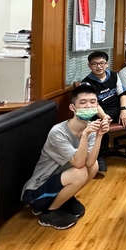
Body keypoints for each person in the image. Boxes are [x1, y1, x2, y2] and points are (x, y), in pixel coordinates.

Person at [22, 85, 108, 230]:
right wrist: (85, 135)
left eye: (93, 102)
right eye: (83, 102)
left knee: (94, 166)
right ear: (73, 108)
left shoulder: (91, 128)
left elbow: (90, 162)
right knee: (80, 172)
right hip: (36, 191)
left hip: (60, 179)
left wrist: (99, 135)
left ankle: (64, 199)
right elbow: (79, 164)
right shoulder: (58, 132)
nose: (88, 106)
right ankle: (49, 213)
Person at [81, 50, 126, 172]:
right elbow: (93, 103)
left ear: (106, 64)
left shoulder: (114, 75)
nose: (99, 66)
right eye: (95, 64)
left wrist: (123, 110)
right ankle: (99, 156)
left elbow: (122, 93)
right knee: (97, 124)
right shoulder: (86, 83)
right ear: (89, 66)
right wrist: (104, 116)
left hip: (117, 108)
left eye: (102, 63)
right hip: (99, 111)